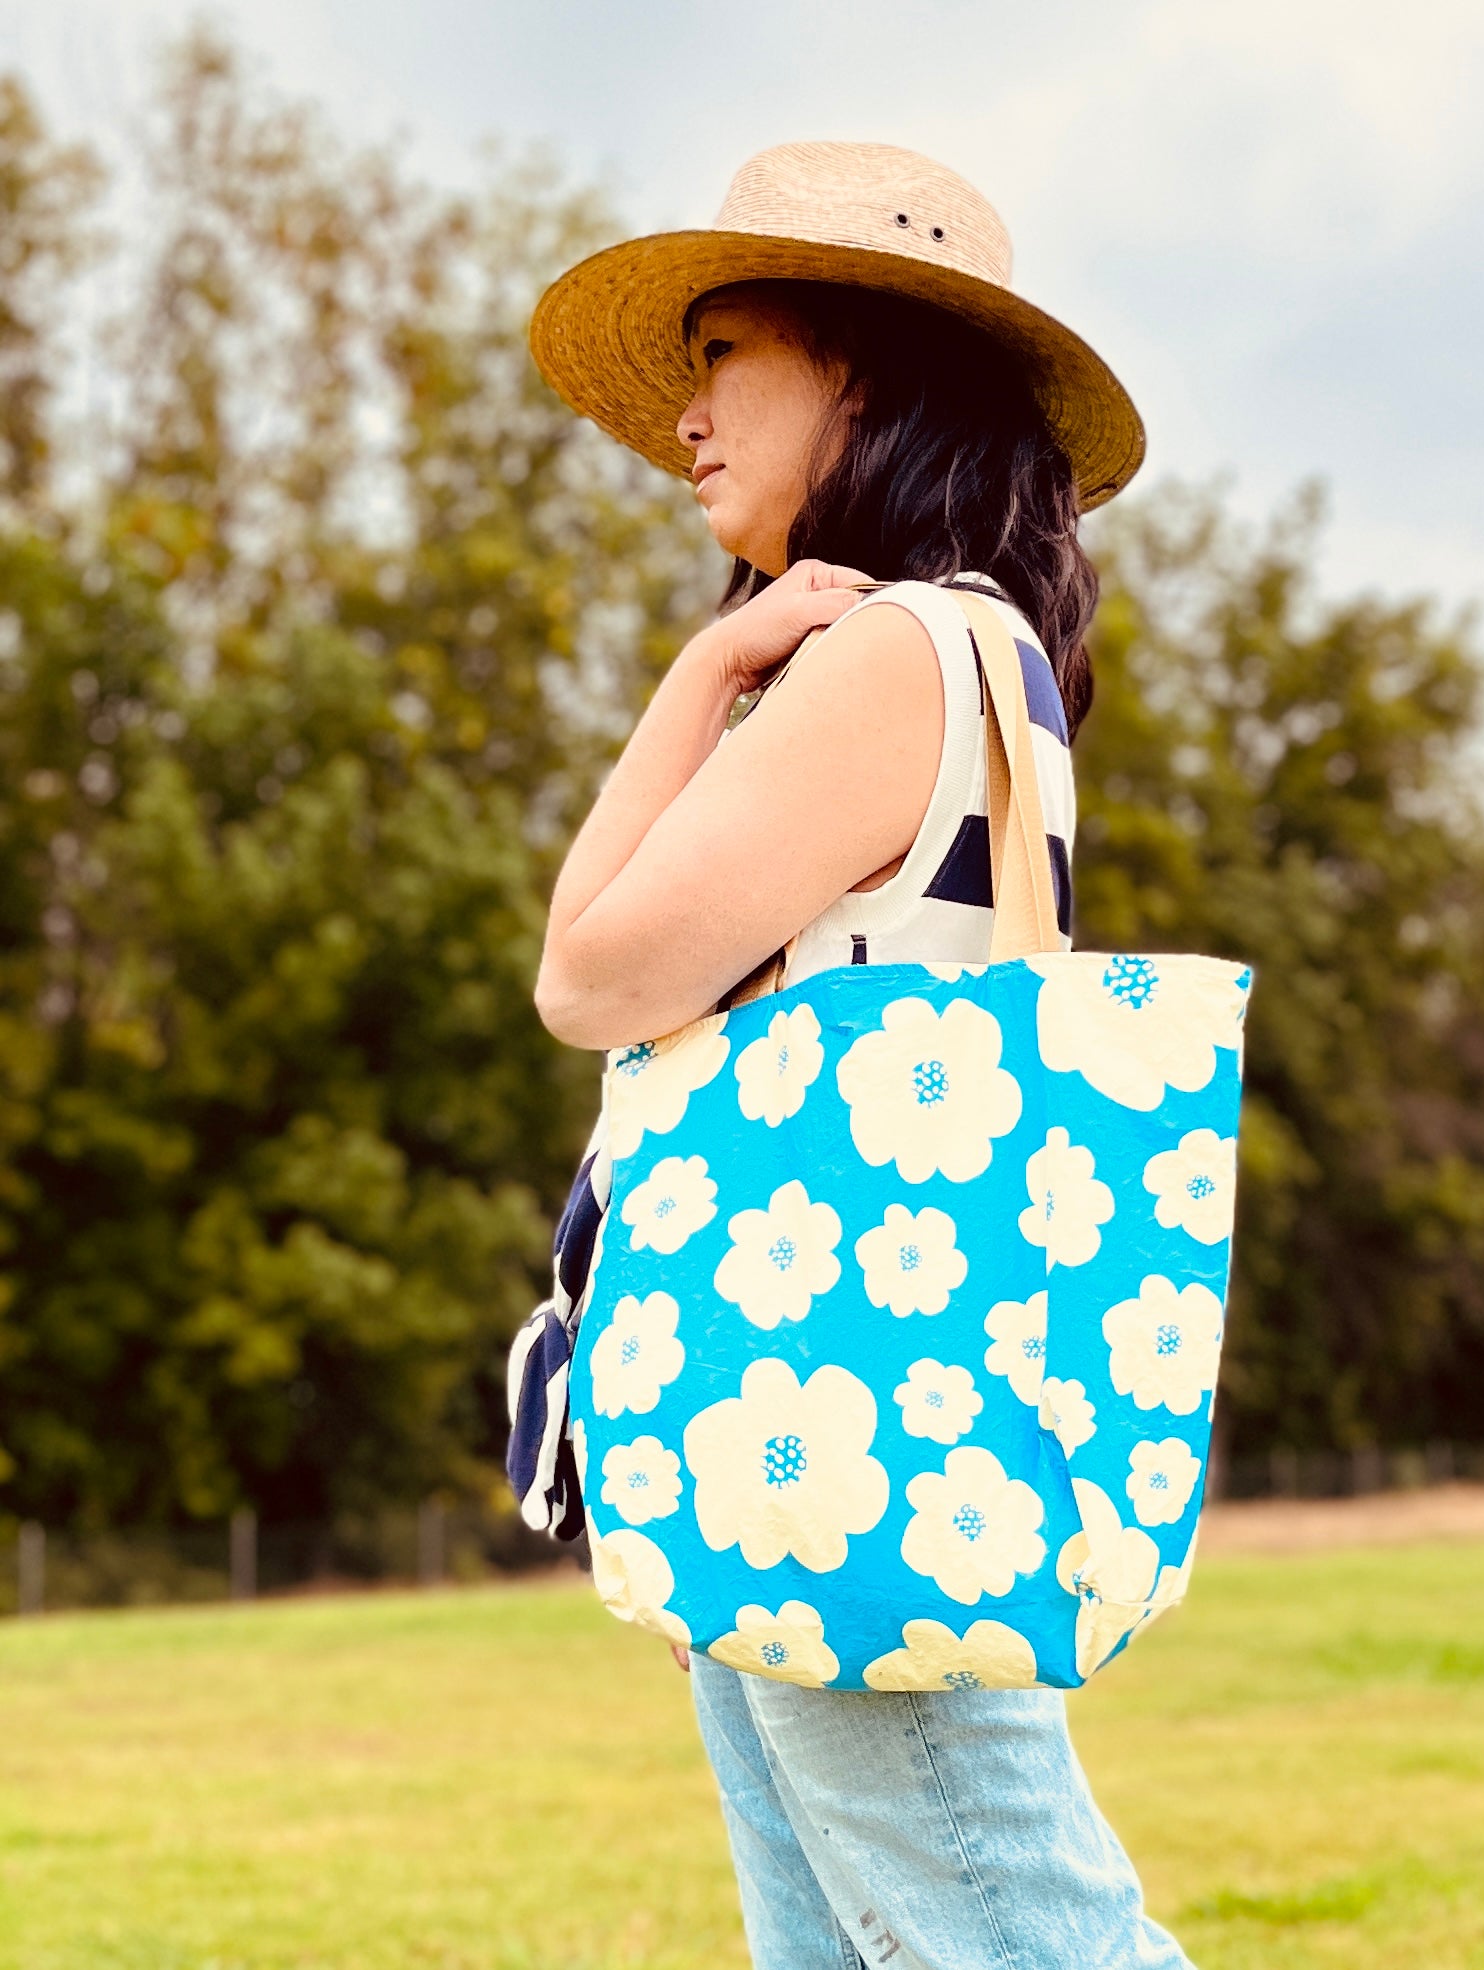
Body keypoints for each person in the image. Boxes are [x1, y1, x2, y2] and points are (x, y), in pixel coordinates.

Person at [527, 143, 1188, 1970]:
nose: (685, 414)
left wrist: (692, 680)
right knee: (849, 1938)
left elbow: (587, 973)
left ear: (868, 375)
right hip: (830, 1396)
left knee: (1011, 1926)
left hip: (839, 1406)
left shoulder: (900, 648)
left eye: (726, 350)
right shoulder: (975, 657)